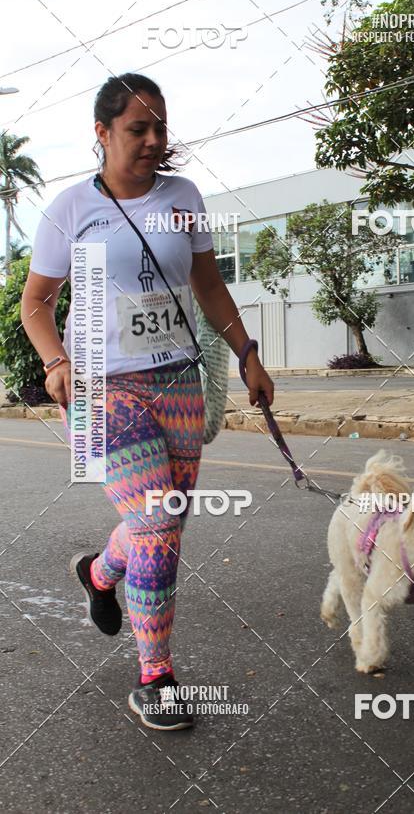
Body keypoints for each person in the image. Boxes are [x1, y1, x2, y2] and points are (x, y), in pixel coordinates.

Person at [21, 72, 275, 731]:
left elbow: (210, 288)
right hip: (105, 387)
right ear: (102, 134)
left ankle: (102, 575)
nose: (154, 140)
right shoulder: (70, 208)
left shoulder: (185, 197)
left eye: (161, 127)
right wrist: (56, 360)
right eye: (139, 129)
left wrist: (248, 354)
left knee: (160, 526)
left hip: (179, 384)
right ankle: (155, 674)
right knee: (158, 526)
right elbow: (36, 303)